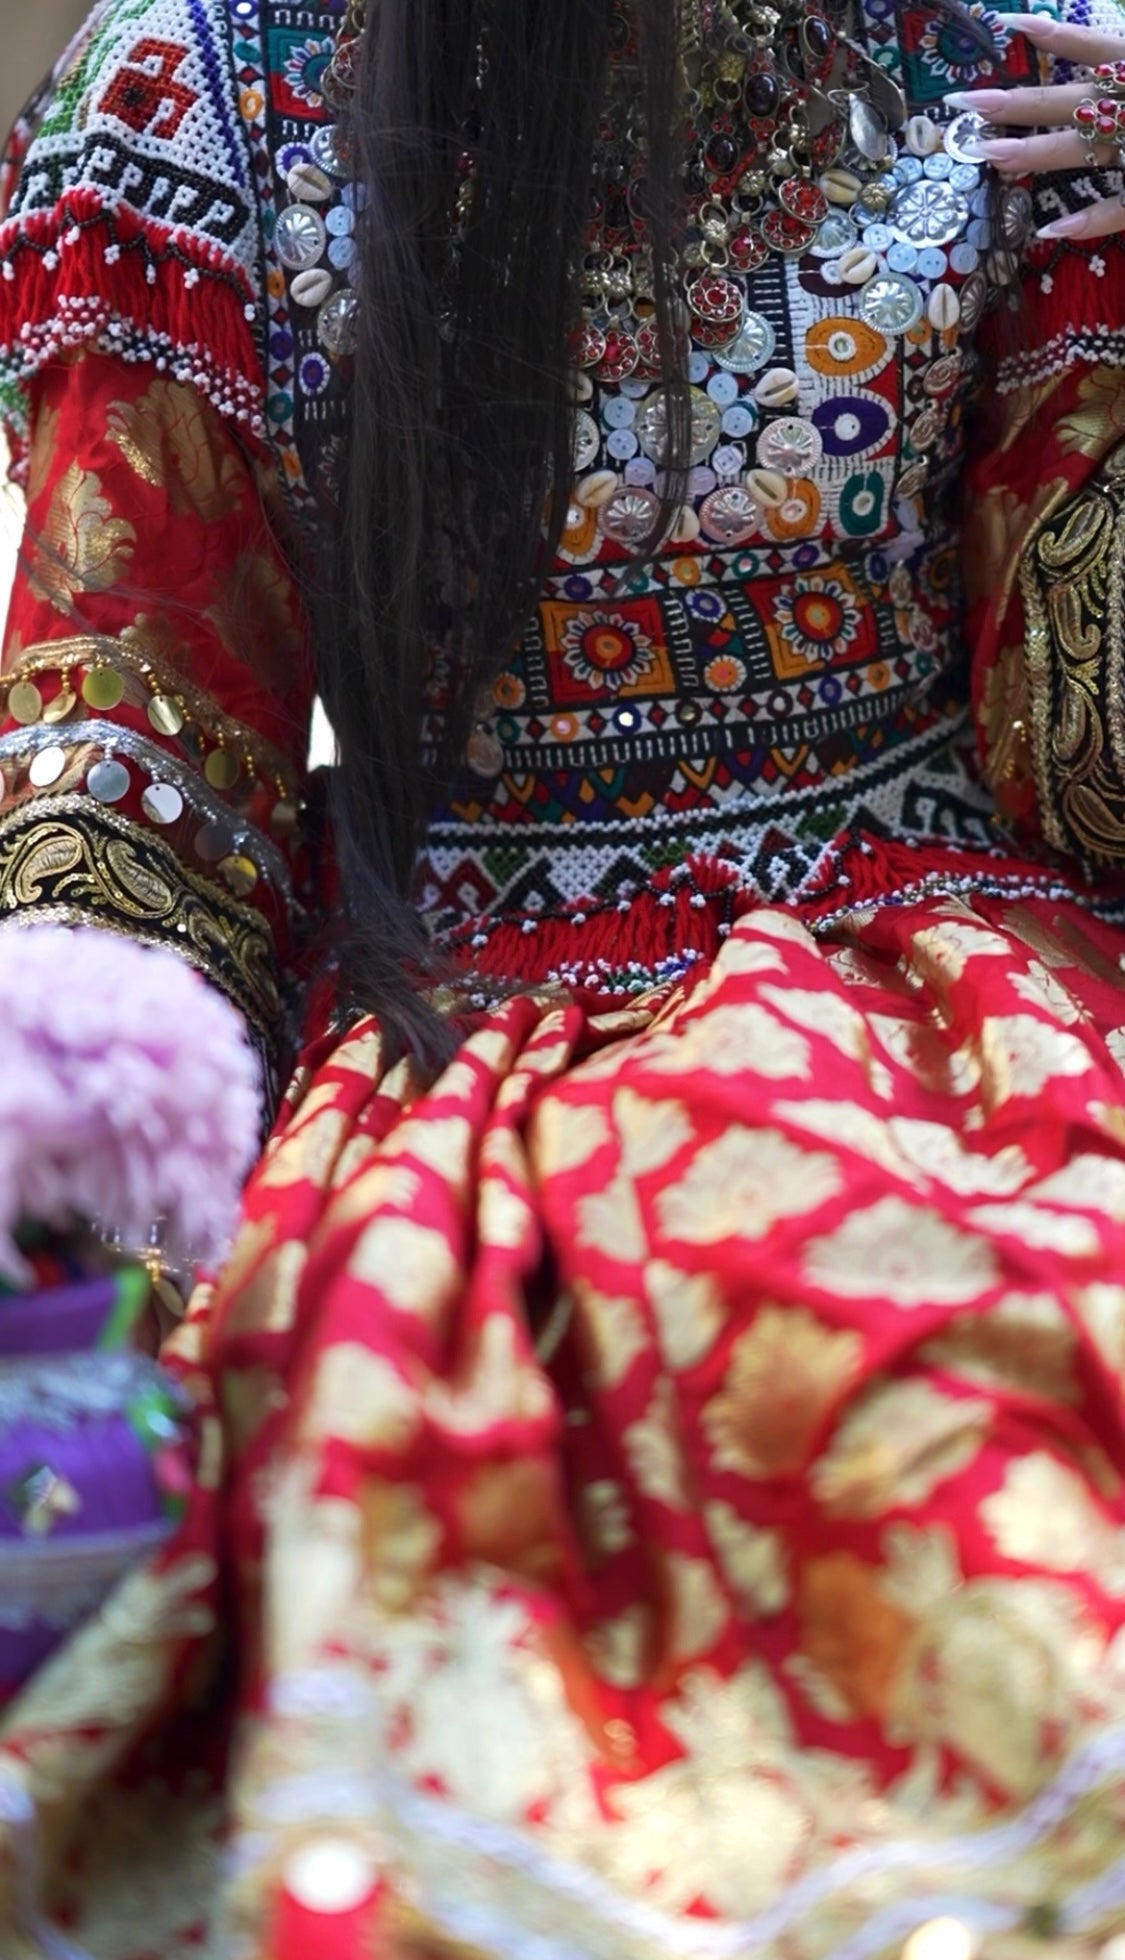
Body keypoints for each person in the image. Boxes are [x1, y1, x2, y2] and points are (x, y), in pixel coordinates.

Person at [4, 0, 1125, 1953]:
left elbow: (1084, 760)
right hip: (460, 1095)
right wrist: (70, 1263)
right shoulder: (197, 91)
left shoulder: (1029, 61)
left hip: (987, 1031)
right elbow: (144, 778)